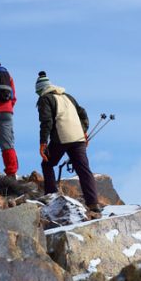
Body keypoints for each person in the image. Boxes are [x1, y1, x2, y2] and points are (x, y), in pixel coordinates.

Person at [35, 71, 101, 213]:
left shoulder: (45, 99)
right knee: (84, 170)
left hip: (61, 137)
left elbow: (46, 121)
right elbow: (83, 113)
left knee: (47, 163)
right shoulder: (68, 97)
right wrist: (83, 131)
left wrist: (43, 143)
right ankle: (93, 203)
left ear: (40, 90)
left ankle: (51, 197)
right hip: (78, 138)